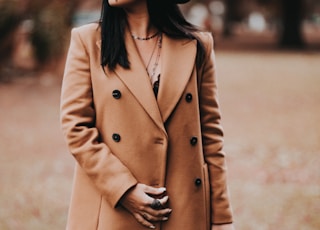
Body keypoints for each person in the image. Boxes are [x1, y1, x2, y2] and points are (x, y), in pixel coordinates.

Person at [60, 0, 234, 229]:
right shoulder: (88, 41)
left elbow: (210, 135)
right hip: (113, 209)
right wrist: (124, 189)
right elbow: (76, 127)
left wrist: (222, 217)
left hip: (184, 210)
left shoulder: (197, 45)